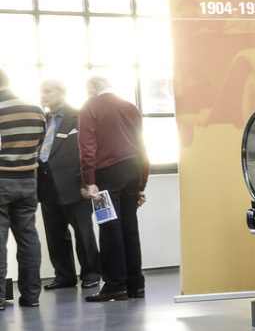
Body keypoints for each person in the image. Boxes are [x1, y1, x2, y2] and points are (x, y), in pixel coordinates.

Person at [78, 74, 148, 302]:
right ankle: (135, 285)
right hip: (134, 169)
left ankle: (115, 286)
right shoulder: (130, 107)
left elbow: (87, 146)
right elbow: (142, 145)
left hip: (107, 172)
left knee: (109, 227)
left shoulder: (90, 106)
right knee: (129, 226)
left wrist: (89, 180)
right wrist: (141, 184)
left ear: (91, 89)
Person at [36, 79, 102, 291]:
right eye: (41, 92)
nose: (43, 95)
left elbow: (90, 150)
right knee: (55, 236)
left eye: (48, 91)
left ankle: (91, 273)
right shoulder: (42, 120)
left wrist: (87, 182)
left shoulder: (79, 116)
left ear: (63, 93)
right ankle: (64, 276)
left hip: (75, 186)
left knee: (84, 233)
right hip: (46, 186)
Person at [0, 69, 48, 309]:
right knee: (28, 238)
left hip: (1, 180)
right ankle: (31, 297)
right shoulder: (35, 109)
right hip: (28, 180)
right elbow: (41, 142)